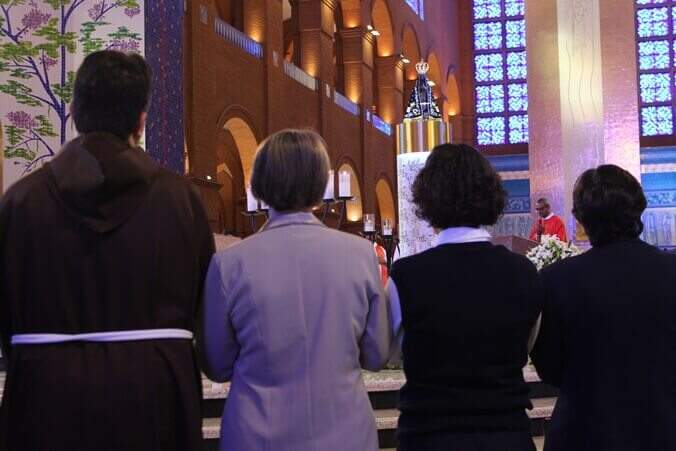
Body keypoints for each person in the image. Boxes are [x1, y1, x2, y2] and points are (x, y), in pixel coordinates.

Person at [0, 51, 215, 451]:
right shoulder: (181, 201)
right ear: (140, 121)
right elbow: (202, 304)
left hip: (46, 398)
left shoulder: (22, 202)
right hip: (154, 398)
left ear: (74, 113)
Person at [200, 129, 391, 451]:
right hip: (345, 434)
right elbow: (376, 355)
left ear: (259, 184)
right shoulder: (361, 255)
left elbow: (217, 365)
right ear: (320, 185)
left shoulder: (229, 264)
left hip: (257, 435)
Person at [388, 144, 541, 451]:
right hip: (505, 434)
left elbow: (390, 352)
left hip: (429, 436)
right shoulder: (522, 272)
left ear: (427, 198)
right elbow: (527, 344)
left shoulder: (406, 275)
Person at [531, 165, 676, 451]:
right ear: (639, 208)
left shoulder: (555, 279)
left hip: (583, 432)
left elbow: (549, 368)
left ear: (580, 218)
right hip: (662, 428)